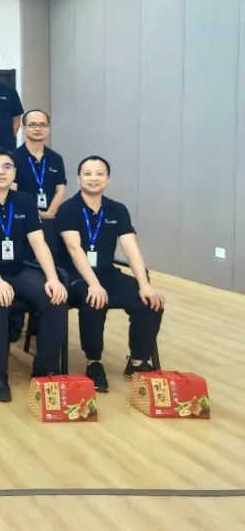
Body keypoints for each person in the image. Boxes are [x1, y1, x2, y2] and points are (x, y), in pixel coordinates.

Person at [0, 148, 67, 402]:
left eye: (7, 167)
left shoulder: (24, 201)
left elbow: (38, 242)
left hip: (18, 270)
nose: (1, 172)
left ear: (14, 172)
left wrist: (52, 278)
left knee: (56, 299)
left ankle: (45, 370)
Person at [58, 155, 165, 392]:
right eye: (87, 174)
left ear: (107, 179)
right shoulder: (69, 209)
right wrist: (94, 284)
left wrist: (145, 285)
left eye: (99, 174)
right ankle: (94, 362)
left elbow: (131, 249)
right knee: (94, 300)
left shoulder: (117, 209)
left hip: (107, 273)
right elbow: (74, 249)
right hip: (76, 277)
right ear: (79, 179)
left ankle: (137, 361)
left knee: (150, 302)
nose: (93, 178)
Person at [13, 109, 67, 220]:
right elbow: (13, 190)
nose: (38, 129)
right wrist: (34, 212)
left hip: (51, 217)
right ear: (24, 129)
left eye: (43, 125)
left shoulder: (56, 158)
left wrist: (50, 213)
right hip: (22, 216)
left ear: (48, 129)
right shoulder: (13, 157)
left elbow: (60, 189)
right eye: (33, 125)